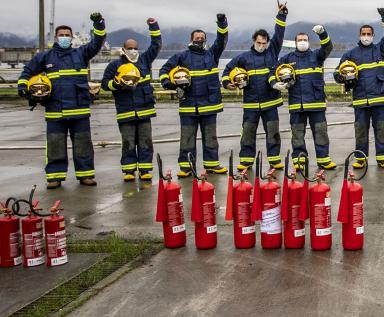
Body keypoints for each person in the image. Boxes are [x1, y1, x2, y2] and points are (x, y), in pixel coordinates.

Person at [18, 12, 107, 188]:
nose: (64, 38)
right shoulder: (45, 57)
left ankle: (85, 176)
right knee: (55, 145)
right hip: (55, 111)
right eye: (61, 35)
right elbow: (27, 71)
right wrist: (23, 87)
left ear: (72, 37)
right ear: (56, 37)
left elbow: (97, 42)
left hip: (80, 111)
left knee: (83, 146)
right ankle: (54, 177)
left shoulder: (81, 53)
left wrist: (99, 24)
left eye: (67, 35)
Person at [159, 13, 229, 177]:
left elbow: (222, 39)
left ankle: (212, 164)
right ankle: (186, 167)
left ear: (205, 40)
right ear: (191, 39)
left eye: (202, 38)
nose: (199, 40)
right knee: (187, 139)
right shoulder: (181, 56)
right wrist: (171, 84)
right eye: (197, 37)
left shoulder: (212, 54)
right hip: (188, 105)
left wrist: (222, 22)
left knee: (211, 138)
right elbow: (164, 71)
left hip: (210, 105)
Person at [222, 1, 288, 171]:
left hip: (270, 104)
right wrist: (227, 83)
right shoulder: (243, 58)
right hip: (250, 104)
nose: (262, 46)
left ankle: (274, 160)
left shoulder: (273, 52)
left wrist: (281, 15)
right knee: (248, 132)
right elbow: (228, 70)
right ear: (254, 41)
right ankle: (246, 160)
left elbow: (279, 35)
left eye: (264, 43)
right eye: (259, 43)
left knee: (273, 131)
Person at [101, 18, 163, 182]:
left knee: (145, 142)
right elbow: (104, 85)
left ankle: (145, 170)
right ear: (124, 49)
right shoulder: (114, 66)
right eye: (130, 48)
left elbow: (156, 45)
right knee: (128, 142)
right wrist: (116, 84)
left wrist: (153, 26)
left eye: (135, 48)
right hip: (125, 110)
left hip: (145, 110)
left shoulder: (144, 61)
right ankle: (128, 170)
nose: (133, 51)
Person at [335, 8, 384, 169]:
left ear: (373, 36)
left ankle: (382, 158)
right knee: (361, 131)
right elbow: (337, 72)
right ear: (359, 35)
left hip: (379, 99)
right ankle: (361, 158)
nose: (366, 36)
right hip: (360, 100)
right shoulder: (350, 54)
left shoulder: (380, 49)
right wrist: (342, 77)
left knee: (381, 130)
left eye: (369, 34)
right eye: (364, 34)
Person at [272, 25, 335, 170]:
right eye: (300, 40)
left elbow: (328, 47)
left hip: (316, 104)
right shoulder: (287, 59)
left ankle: (324, 159)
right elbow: (273, 71)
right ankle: (299, 160)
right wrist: (276, 83)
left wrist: (323, 34)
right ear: (295, 43)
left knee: (321, 133)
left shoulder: (317, 56)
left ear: (308, 42)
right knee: (297, 135)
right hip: (296, 105)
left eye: (305, 40)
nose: (302, 42)